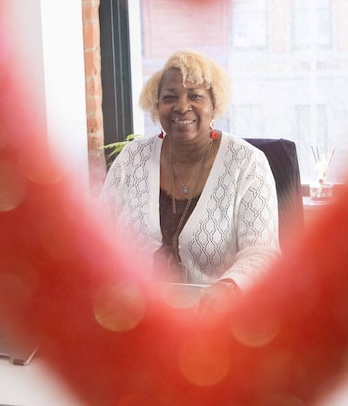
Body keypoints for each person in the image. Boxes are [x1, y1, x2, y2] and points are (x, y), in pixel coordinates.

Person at [100, 50, 280, 307]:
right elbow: (98, 236)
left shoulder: (248, 163)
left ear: (214, 104)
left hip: (220, 319)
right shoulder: (132, 159)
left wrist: (229, 288)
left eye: (195, 96)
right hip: (136, 315)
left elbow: (262, 252)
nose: (182, 107)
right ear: (156, 106)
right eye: (169, 98)